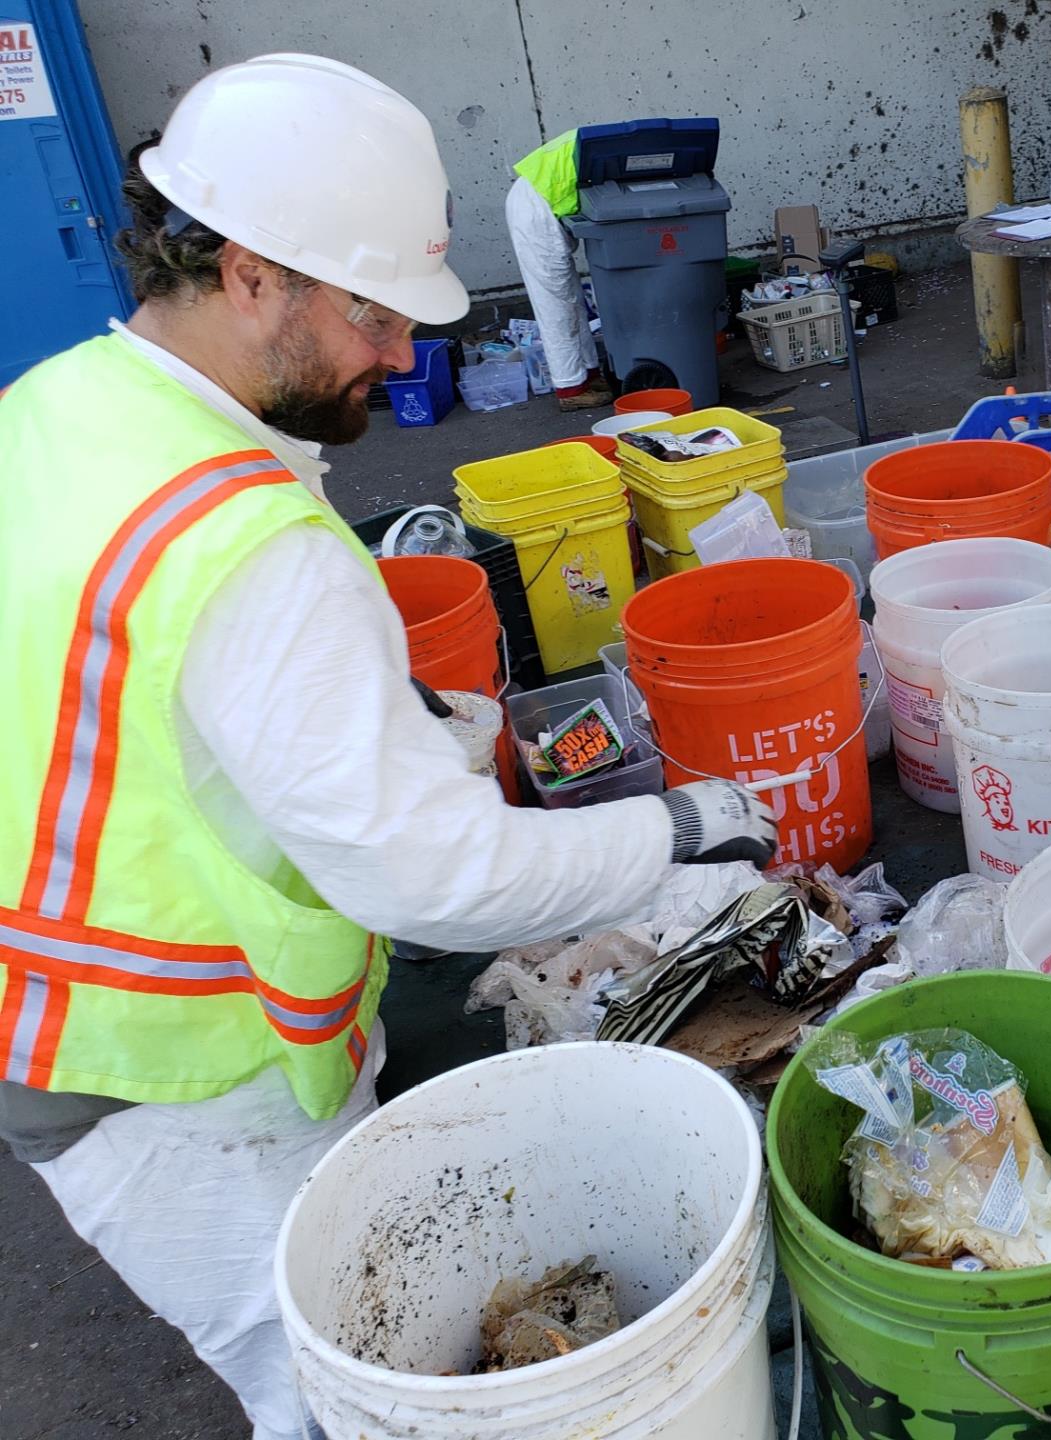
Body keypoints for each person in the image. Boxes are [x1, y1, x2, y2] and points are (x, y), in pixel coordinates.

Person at [0, 55, 773, 1439]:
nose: (407, 357)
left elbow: (105, 676)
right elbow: (433, 880)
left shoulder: (60, 407)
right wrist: (680, 830)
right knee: (336, 1390)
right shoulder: (253, 546)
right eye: (372, 312)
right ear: (250, 275)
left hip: (61, 1012)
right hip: (175, 1079)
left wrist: (380, 729)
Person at [507, 128, 616, 410]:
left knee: (572, 300)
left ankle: (589, 374)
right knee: (556, 305)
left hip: (539, 198)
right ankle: (570, 389)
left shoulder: (609, 143)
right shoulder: (615, 150)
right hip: (535, 206)